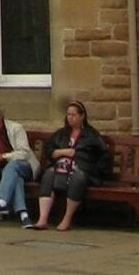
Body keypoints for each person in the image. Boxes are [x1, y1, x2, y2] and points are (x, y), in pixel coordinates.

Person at [30, 99, 111, 233]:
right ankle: (43, 218)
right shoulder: (61, 134)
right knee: (49, 174)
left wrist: (80, 159)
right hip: (60, 168)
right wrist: (64, 152)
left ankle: (67, 218)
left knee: (77, 177)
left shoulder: (91, 135)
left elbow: (100, 156)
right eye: (68, 115)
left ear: (82, 116)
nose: (70, 118)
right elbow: (49, 150)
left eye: (73, 115)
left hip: (83, 170)